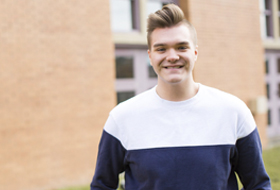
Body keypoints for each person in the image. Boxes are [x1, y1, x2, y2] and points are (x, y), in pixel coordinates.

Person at [90, 4, 271, 190]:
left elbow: (258, 185)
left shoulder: (234, 112)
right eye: (161, 49)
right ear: (150, 56)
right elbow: (102, 186)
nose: (172, 56)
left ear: (195, 52)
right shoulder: (122, 118)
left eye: (181, 47)